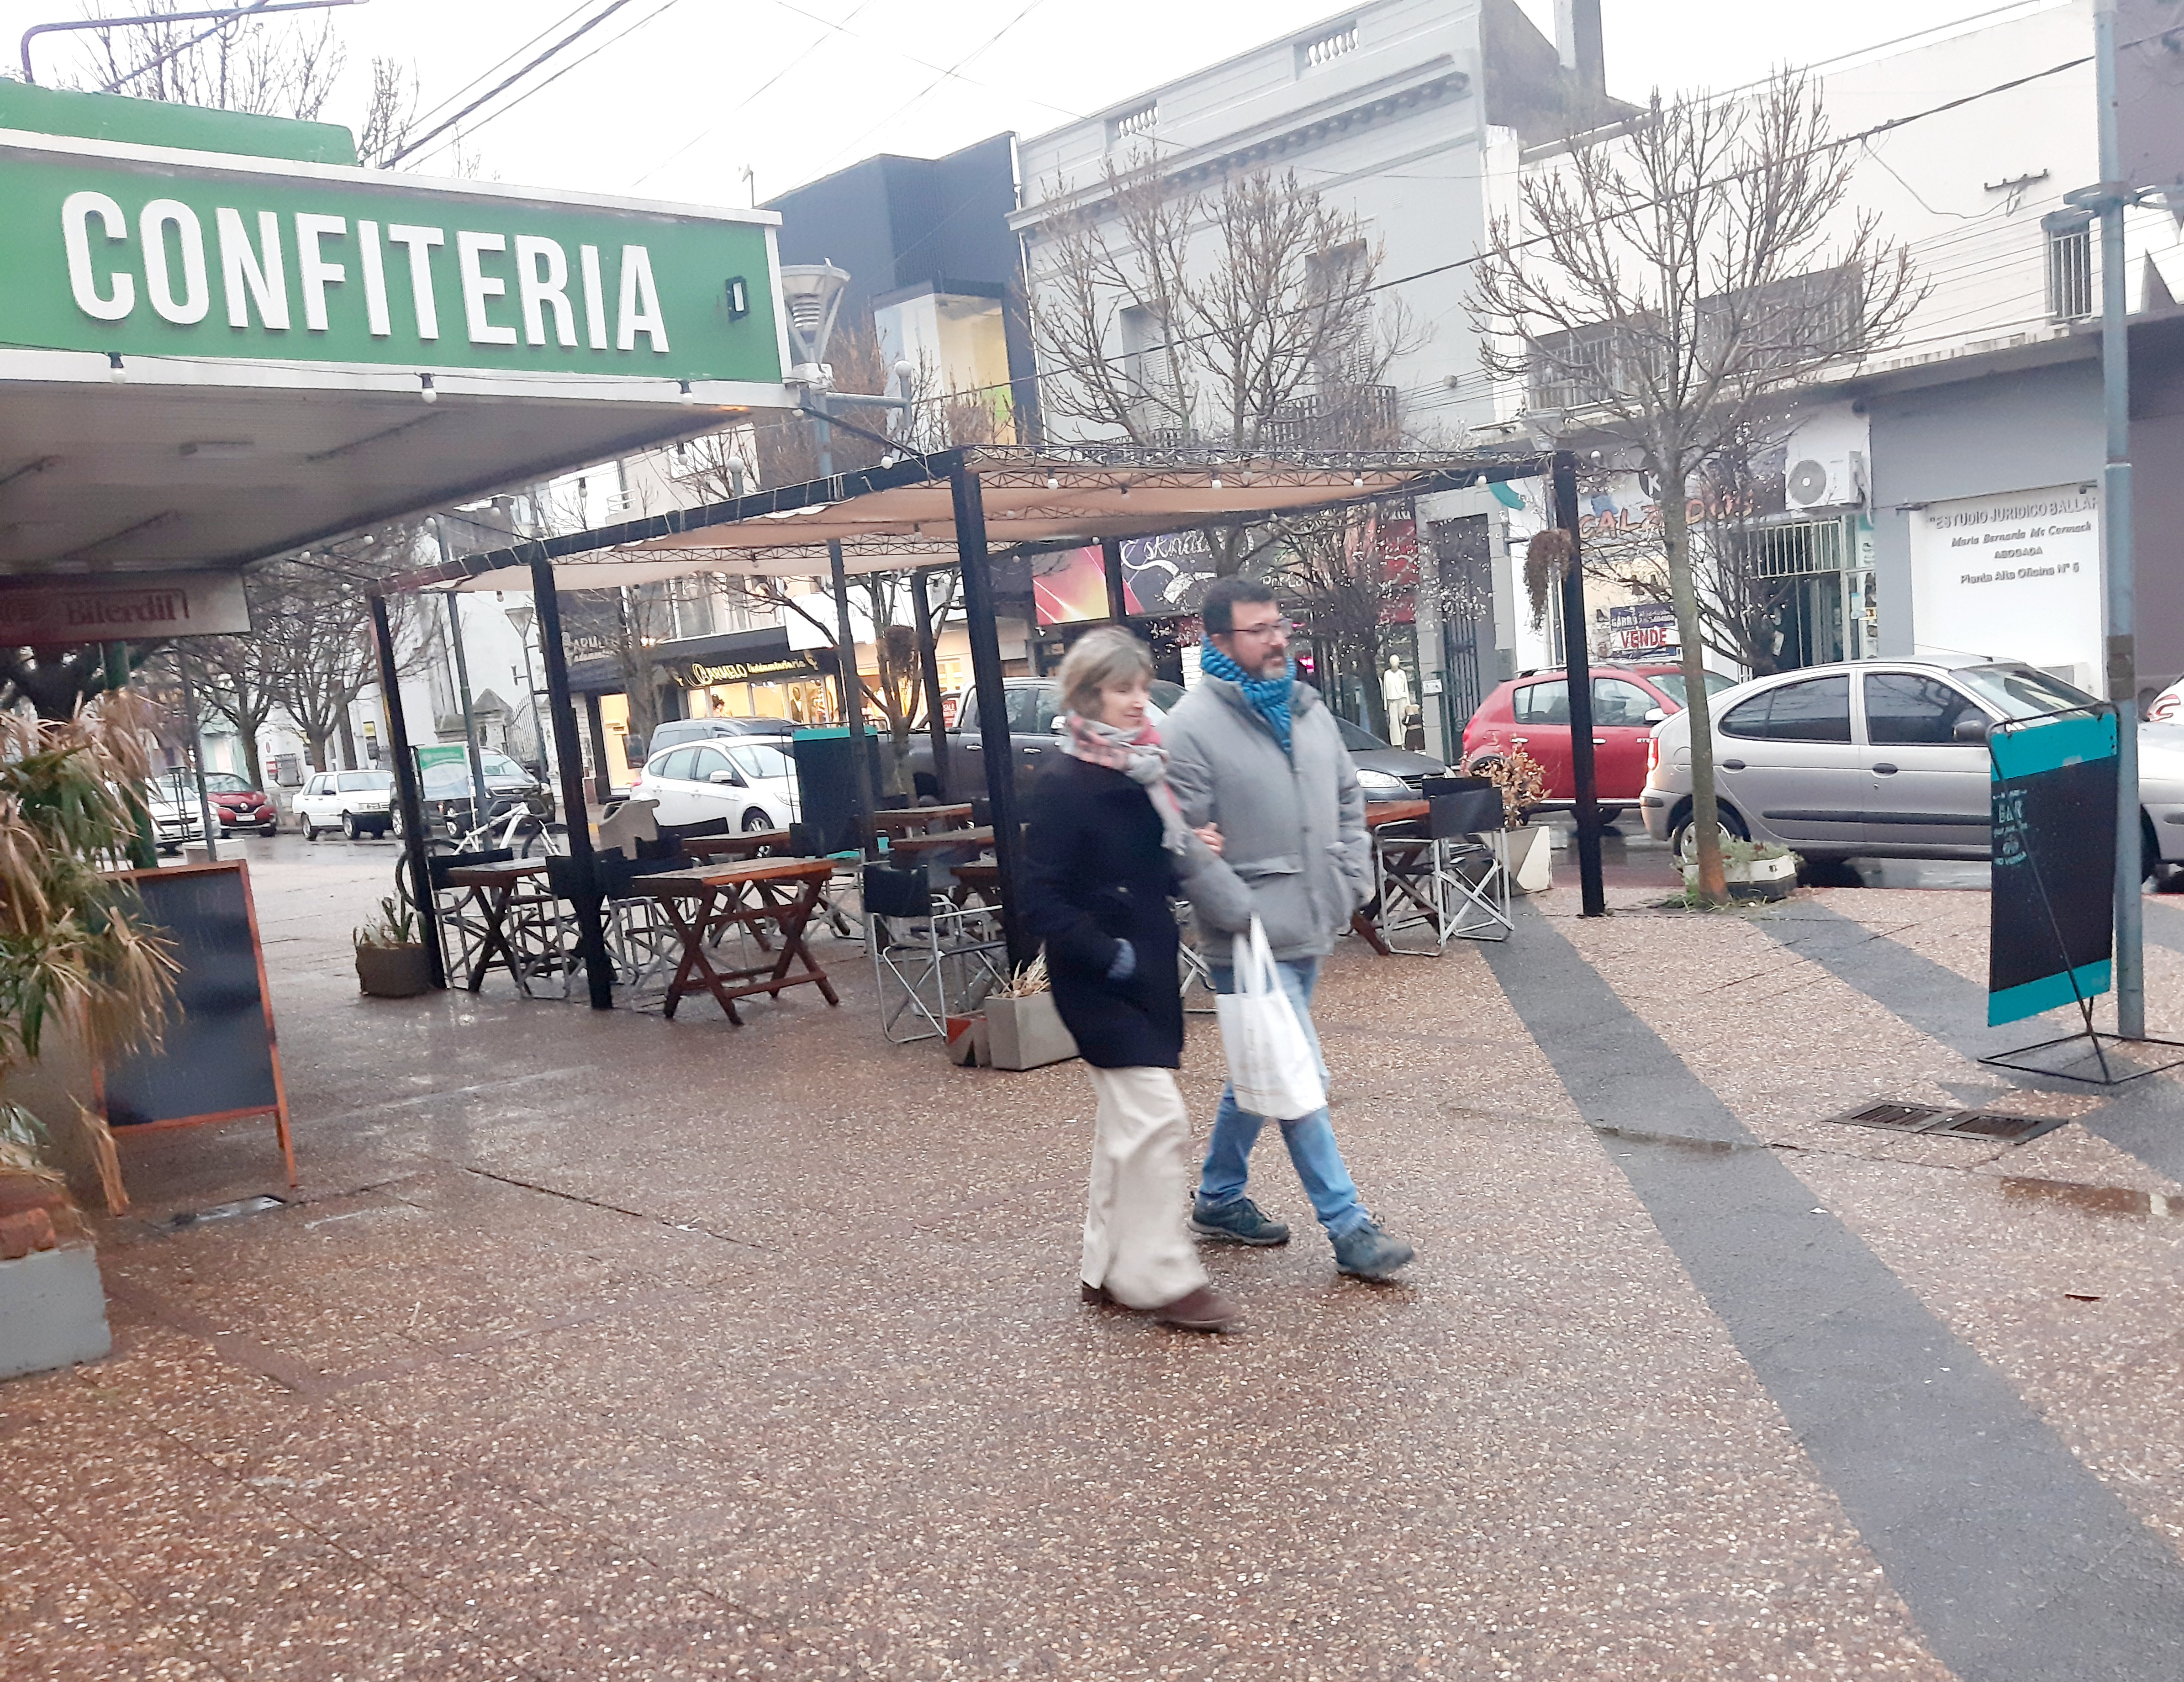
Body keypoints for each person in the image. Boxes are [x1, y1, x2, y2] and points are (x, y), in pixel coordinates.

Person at [1164, 577, 1416, 1281]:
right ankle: (1348, 1226)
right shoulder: (1187, 729)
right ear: (1217, 642)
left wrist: (1349, 883)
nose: (1277, 639)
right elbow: (1183, 842)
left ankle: (1217, 1197)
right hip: (1244, 940)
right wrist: (1242, 918)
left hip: (1311, 919)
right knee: (1293, 1074)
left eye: (1280, 625)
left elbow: (1344, 798)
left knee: (1260, 1065)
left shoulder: (1307, 711)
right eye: (1258, 630)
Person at [1019, 627, 1239, 1333]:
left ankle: (1103, 1266)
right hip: (1098, 976)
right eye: (1123, 690)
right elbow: (1038, 894)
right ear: (1088, 695)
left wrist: (1186, 850)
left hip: (1146, 969)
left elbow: (1146, 870)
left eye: (1142, 687)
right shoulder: (1060, 781)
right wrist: (1102, 949)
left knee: (1127, 1125)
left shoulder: (1140, 771)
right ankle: (1161, 1277)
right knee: (1157, 1120)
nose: (1139, 702)